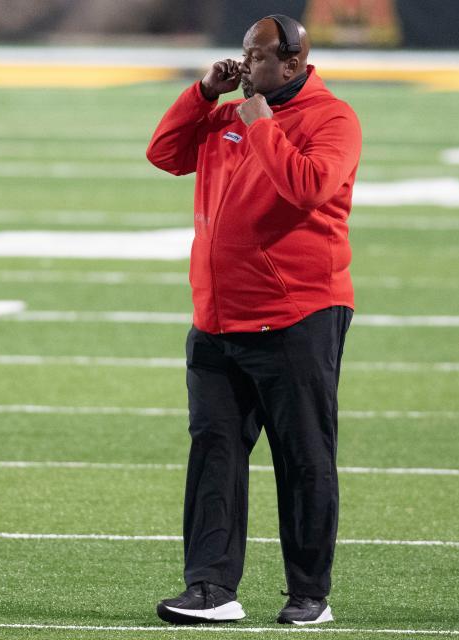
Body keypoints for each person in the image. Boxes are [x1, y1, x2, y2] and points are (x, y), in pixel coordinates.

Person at [145, 14, 362, 626]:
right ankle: (212, 589)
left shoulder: (333, 118)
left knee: (303, 457)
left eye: (258, 57)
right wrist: (203, 94)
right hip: (217, 317)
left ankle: (308, 596)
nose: (246, 66)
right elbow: (164, 154)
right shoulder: (228, 110)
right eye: (242, 54)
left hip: (297, 315)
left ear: (292, 64)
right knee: (213, 452)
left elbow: (310, 187)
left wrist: (263, 126)